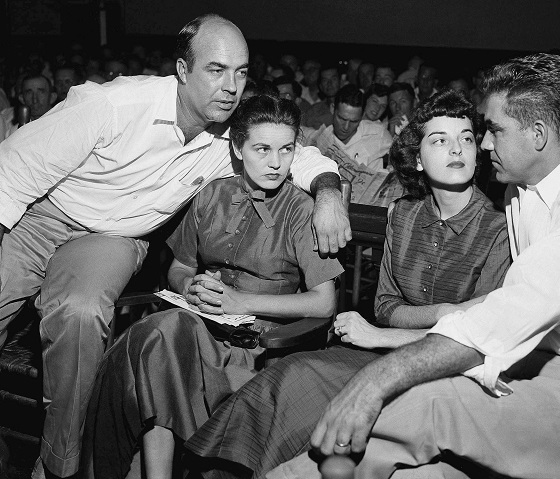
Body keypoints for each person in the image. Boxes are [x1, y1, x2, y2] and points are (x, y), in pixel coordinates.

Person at [255, 53, 560, 479]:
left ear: (538, 134)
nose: (483, 144)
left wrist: (376, 379)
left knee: (432, 404)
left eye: (493, 130)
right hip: (538, 374)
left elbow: (505, 315)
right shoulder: (523, 191)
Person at [0, 14, 349, 479]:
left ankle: (59, 467)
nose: (230, 86)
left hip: (114, 236)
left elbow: (293, 153)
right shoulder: (112, 105)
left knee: (81, 313)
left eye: (241, 73)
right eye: (216, 70)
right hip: (41, 214)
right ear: (182, 71)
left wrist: (328, 195)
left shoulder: (231, 135)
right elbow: (14, 168)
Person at [184, 89, 511, 478]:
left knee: (315, 398)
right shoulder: (403, 215)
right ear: (418, 159)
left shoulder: (500, 225)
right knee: (290, 376)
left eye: (467, 139)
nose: (457, 149)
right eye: (440, 140)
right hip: (382, 350)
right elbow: (387, 307)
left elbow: (484, 335)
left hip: (453, 370)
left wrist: (388, 332)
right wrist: (446, 314)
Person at [82, 93, 344, 479]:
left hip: (262, 346)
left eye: (286, 149)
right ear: (237, 148)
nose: (275, 162)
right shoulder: (212, 195)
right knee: (160, 336)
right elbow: (180, 266)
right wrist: (191, 288)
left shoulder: (301, 210)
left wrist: (239, 299)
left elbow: (324, 304)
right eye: (262, 149)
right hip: (203, 328)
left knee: (162, 342)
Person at [307, 85, 392, 173]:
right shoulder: (321, 138)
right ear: (332, 109)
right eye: (342, 119)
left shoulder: (377, 133)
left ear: (362, 115)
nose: (346, 127)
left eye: (354, 121)